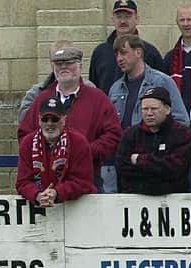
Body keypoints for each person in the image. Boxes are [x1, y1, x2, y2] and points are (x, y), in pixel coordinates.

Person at [18, 46, 122, 193]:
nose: (64, 67)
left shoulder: (98, 99)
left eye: (69, 63)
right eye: (59, 64)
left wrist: (86, 152)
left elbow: (113, 135)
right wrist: (44, 155)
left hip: (87, 179)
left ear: (80, 65)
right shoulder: (42, 99)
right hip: (45, 182)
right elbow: (25, 134)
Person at [16, 97, 96, 206]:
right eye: (45, 119)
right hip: (39, 205)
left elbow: (83, 182)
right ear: (39, 120)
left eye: (54, 119)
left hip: (77, 207)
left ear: (63, 119)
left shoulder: (79, 142)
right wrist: (37, 195)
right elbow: (22, 182)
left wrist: (57, 193)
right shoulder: (28, 143)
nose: (49, 124)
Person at [116, 87, 191, 194]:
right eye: (145, 109)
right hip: (135, 200)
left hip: (174, 201)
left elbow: (176, 168)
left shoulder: (182, 134)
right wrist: (157, 167)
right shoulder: (130, 135)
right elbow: (123, 169)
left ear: (167, 109)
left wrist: (140, 159)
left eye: (154, 109)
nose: (149, 113)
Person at [109, 34, 189, 129]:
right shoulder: (115, 88)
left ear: (138, 52)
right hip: (123, 143)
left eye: (124, 53)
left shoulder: (162, 82)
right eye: (117, 55)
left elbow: (181, 121)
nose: (119, 59)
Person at [89, 0, 163, 94]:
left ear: (137, 19)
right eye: (119, 17)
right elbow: (94, 90)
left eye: (127, 16)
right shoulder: (100, 52)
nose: (123, 21)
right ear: (113, 19)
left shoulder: (150, 52)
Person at [18, 39, 96, 123]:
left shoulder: (90, 89)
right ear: (51, 62)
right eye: (57, 61)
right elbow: (23, 119)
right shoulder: (38, 91)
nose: (63, 66)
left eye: (67, 61)